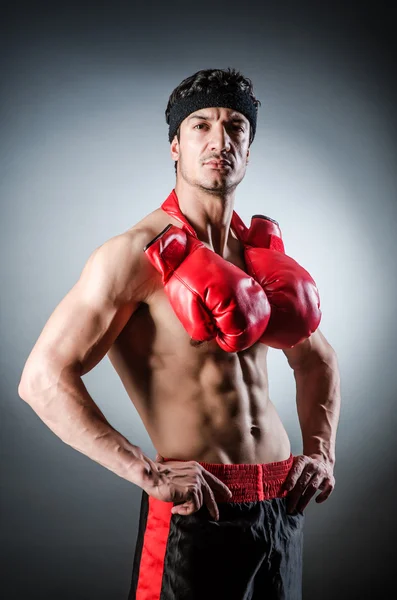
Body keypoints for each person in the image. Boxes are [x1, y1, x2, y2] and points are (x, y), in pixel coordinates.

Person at [18, 67, 341, 600]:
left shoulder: (262, 260)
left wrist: (322, 453)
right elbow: (42, 378)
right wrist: (144, 472)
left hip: (281, 507)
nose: (220, 141)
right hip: (197, 512)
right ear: (175, 145)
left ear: (250, 147)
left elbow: (317, 360)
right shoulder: (133, 255)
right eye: (201, 125)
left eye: (236, 126)